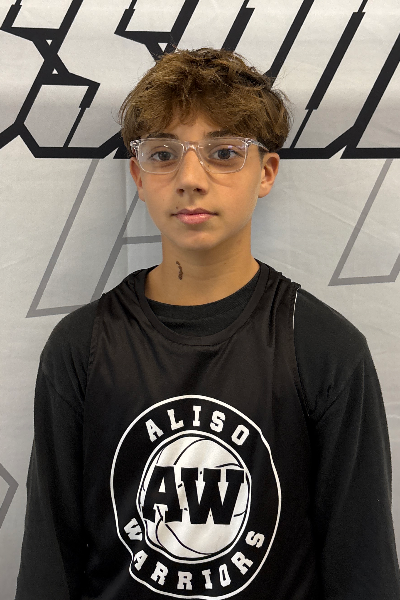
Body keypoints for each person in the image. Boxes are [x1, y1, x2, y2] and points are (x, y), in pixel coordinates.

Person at [15, 48, 400, 600]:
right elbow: (48, 563)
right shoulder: (80, 347)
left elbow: (363, 568)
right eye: (163, 154)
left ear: (266, 172)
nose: (190, 178)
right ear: (138, 174)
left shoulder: (324, 348)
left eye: (223, 153)